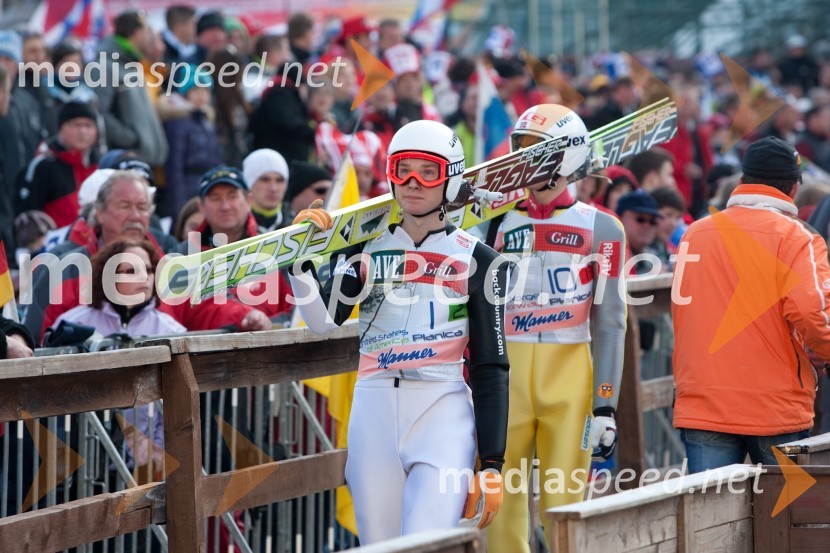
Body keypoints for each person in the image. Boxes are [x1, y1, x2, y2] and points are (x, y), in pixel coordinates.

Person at [288, 120, 509, 544]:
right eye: (401, 169)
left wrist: (494, 463)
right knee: (379, 544)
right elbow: (323, 319)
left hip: (442, 410)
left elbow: (491, 365)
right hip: (373, 409)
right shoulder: (366, 246)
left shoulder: (481, 260)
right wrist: (300, 261)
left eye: (428, 172)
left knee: (424, 543)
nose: (412, 183)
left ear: (452, 178)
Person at [478, 105, 626, 553]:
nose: (522, 161)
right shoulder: (492, 221)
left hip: (572, 383)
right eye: (519, 148)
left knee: (563, 513)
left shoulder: (604, 228)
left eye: (534, 151)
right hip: (505, 379)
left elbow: (612, 320)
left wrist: (606, 405)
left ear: (566, 157)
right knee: (500, 512)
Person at [673, 136, 830, 472]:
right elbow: (810, 311)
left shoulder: (694, 233)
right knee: (791, 520)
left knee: (708, 522)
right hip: (776, 407)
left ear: (742, 181)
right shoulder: (799, 238)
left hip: (704, 403)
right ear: (793, 188)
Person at [93, 11, 169, 166]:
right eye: (148, 31)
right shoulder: (104, 65)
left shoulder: (132, 64)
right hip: (122, 162)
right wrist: (130, 139)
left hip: (142, 161)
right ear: (136, 33)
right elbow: (98, 113)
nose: (151, 37)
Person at [17, 102, 100, 228]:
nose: (83, 132)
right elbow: (27, 217)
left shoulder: (100, 166)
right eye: (76, 125)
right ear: (61, 128)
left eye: (88, 126)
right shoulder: (43, 166)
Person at [243, 149, 291, 232]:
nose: (273, 188)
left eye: (279, 180)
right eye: (265, 180)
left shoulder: (296, 225)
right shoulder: (234, 228)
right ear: (249, 183)